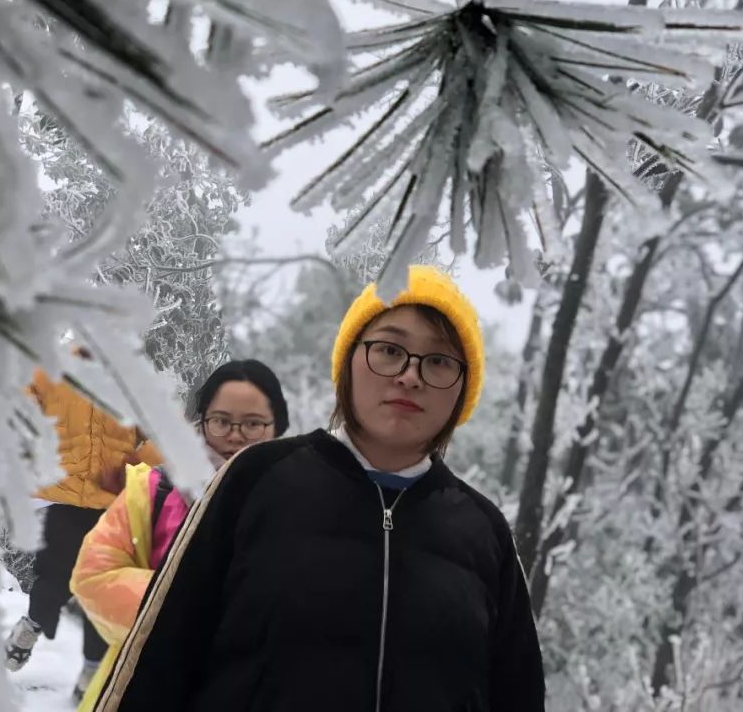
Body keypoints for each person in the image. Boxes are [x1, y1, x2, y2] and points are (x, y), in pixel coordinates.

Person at [92, 265, 546, 712]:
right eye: (390, 349)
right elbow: (159, 656)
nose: (410, 375)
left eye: (440, 360)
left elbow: (517, 693)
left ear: (463, 390)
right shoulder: (258, 478)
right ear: (349, 360)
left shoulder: (484, 531)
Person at [69, 360, 290, 709]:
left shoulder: (300, 502)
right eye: (221, 421)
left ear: (278, 428)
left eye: (253, 424)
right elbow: (93, 575)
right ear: (201, 422)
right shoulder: (153, 490)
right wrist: (191, 607)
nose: (234, 435)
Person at [3, 349, 164, 700]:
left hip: (113, 502)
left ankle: (92, 669)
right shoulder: (50, 370)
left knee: (104, 587)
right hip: (63, 497)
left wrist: (136, 463)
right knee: (56, 578)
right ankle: (32, 624)